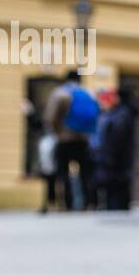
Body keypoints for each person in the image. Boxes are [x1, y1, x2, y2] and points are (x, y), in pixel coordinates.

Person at [43, 70, 99, 211]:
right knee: (85, 173)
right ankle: (89, 203)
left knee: (63, 173)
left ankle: (68, 204)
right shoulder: (88, 93)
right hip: (84, 140)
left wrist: (57, 131)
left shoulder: (60, 93)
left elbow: (50, 117)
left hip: (65, 139)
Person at [96, 85, 139, 211]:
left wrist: (108, 155)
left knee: (115, 186)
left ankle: (116, 209)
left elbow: (115, 138)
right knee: (123, 184)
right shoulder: (127, 112)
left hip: (116, 157)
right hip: (124, 156)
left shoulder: (121, 114)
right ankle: (121, 208)